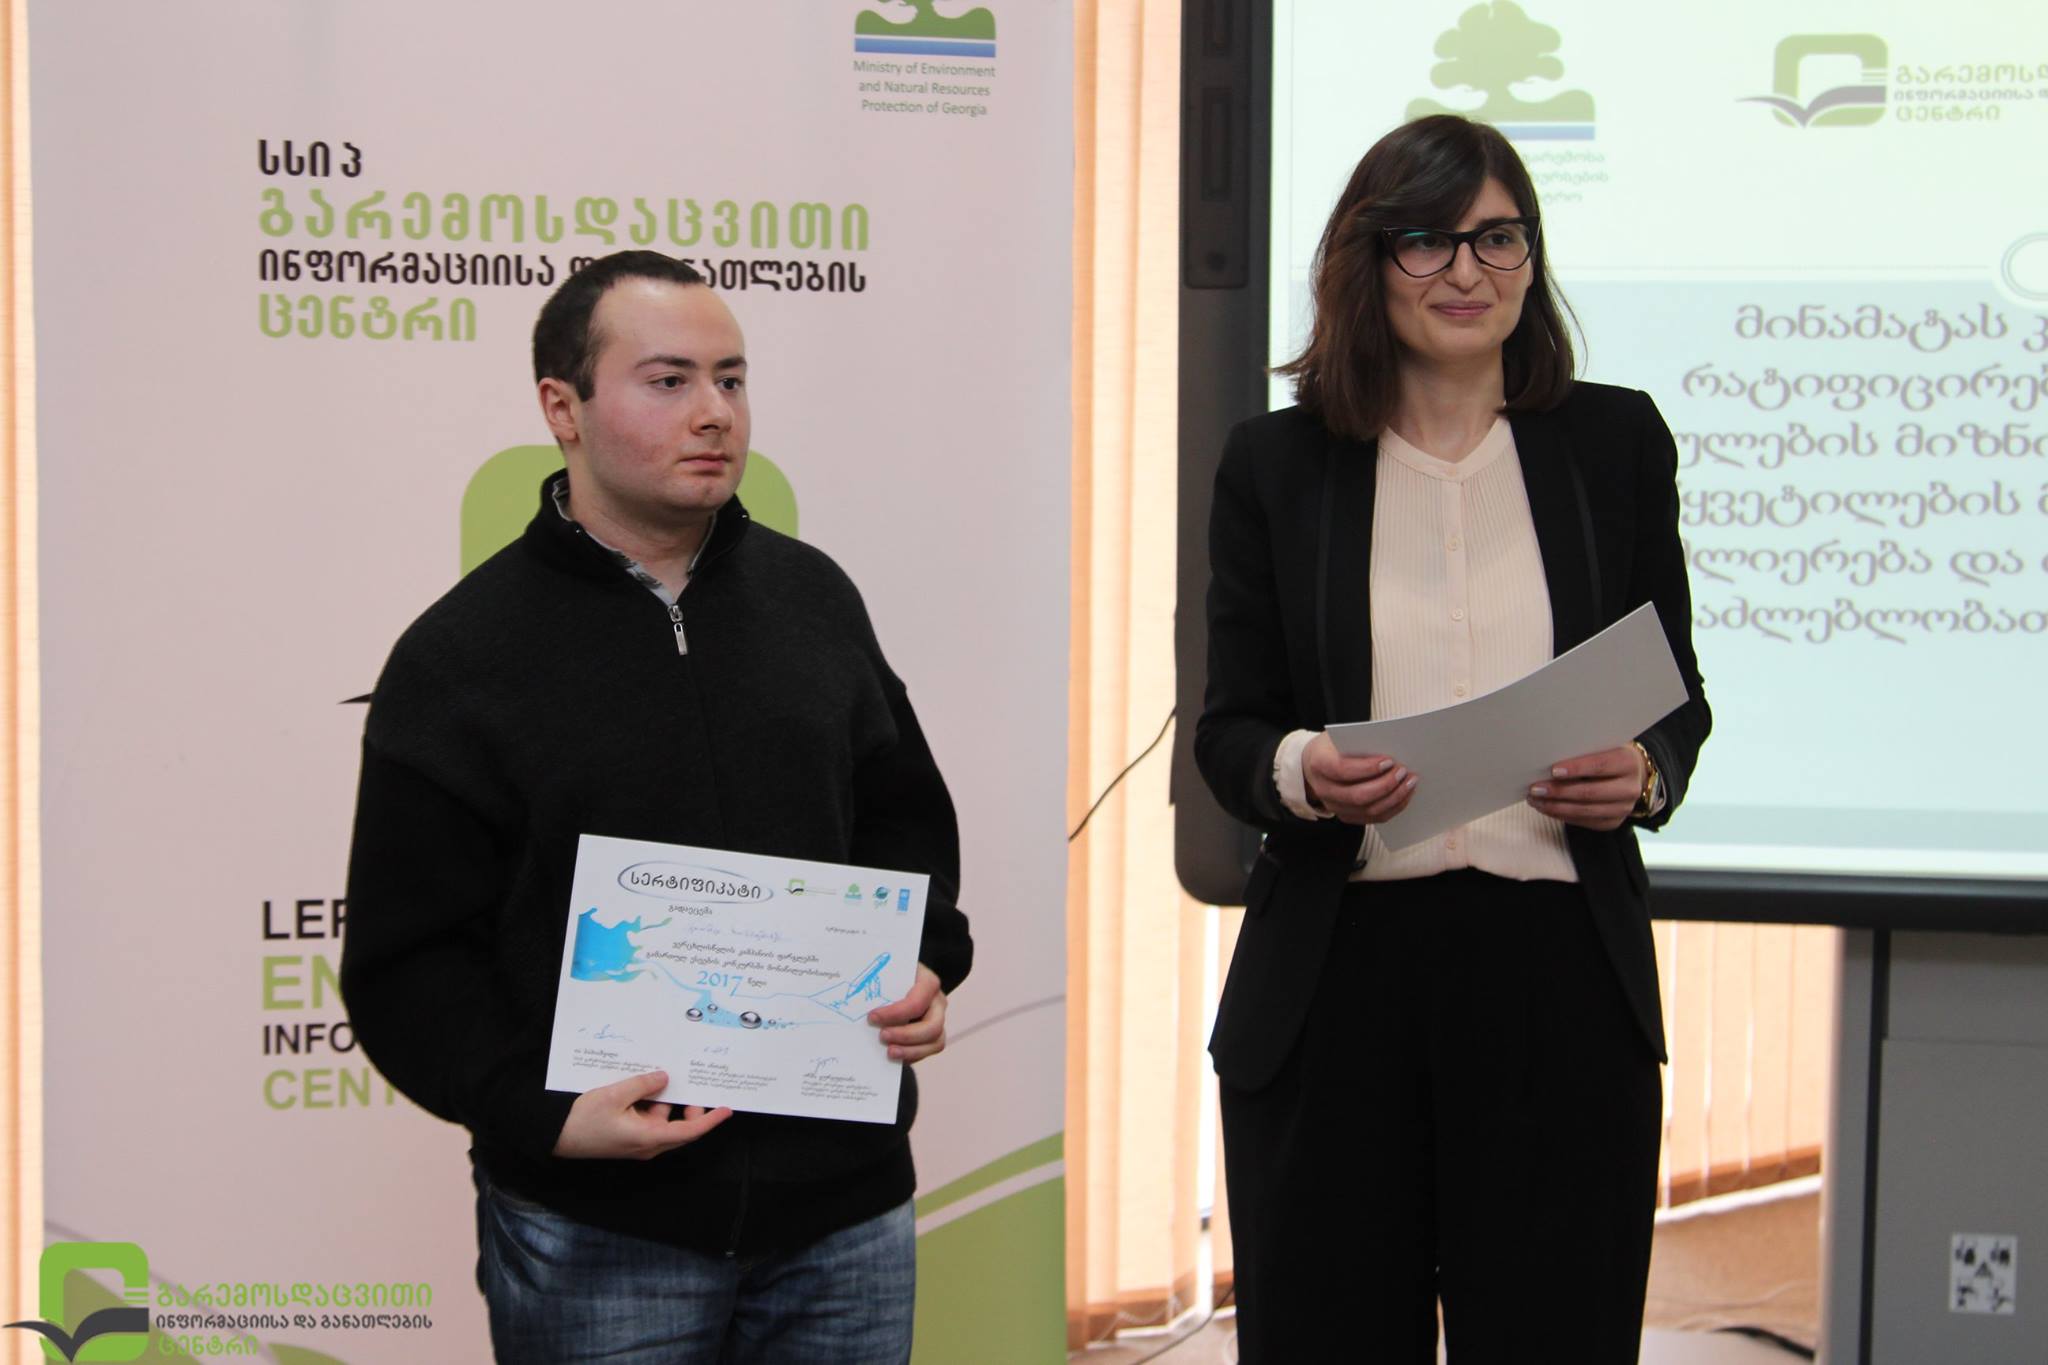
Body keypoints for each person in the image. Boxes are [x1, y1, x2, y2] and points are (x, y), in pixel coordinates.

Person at [340, 250, 971, 1365]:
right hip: (602, 1233)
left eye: (731, 379)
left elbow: (900, 823)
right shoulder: (460, 657)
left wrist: (925, 960)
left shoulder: (814, 597)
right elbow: (408, 961)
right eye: (669, 381)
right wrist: (540, 1114)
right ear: (563, 408)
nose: (714, 412)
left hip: (844, 1213)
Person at [1195, 116, 1709, 1362]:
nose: (1467, 271)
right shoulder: (1276, 463)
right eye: (1426, 241)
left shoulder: (1612, 445)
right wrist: (1302, 771)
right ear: (1367, 262)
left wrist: (1642, 773)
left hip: (1555, 981)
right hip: (1339, 979)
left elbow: (1675, 696)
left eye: (1497, 238)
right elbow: (1229, 729)